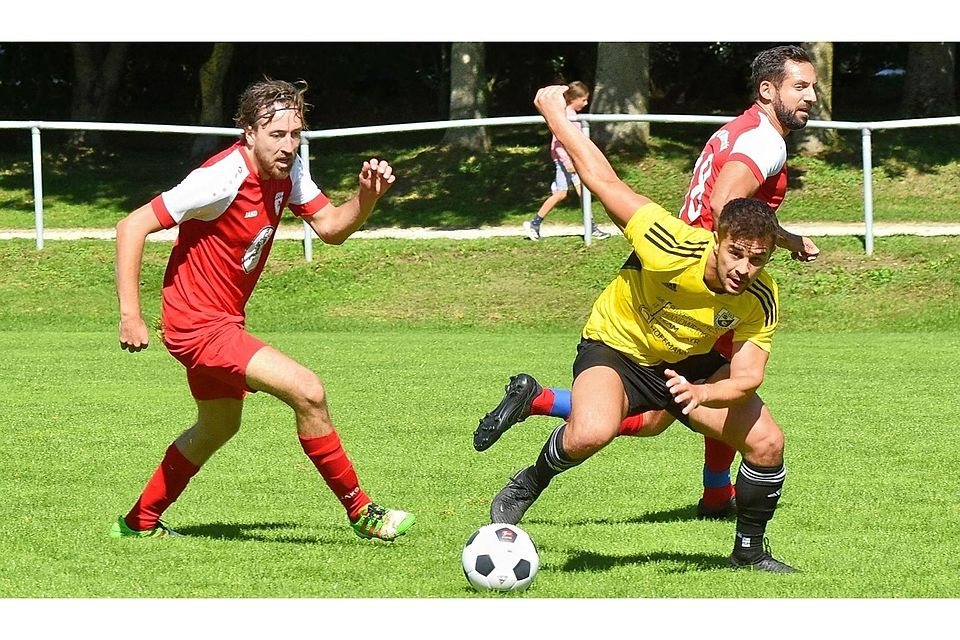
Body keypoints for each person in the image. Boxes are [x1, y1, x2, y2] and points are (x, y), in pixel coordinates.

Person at [475, 45, 820, 520]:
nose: (812, 96)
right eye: (800, 86)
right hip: (696, 287)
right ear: (767, 90)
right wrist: (760, 247)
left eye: (813, 86)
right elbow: (724, 205)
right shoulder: (767, 143)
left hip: (703, 283)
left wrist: (774, 241)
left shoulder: (742, 129)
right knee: (645, 414)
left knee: (668, 413)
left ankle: (723, 506)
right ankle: (715, 493)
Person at [110, 78, 415, 542]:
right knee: (308, 391)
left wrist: (366, 198)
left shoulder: (288, 172)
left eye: (296, 135)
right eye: (277, 135)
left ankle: (137, 523)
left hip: (223, 321)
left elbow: (331, 227)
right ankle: (363, 513)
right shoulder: (218, 178)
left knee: (217, 427)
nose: (289, 146)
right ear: (248, 132)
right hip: (197, 326)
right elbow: (131, 226)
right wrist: (130, 314)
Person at [525, 80, 610, 242]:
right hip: (568, 162)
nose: (586, 103)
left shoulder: (571, 115)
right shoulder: (567, 116)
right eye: (583, 100)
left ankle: (535, 223)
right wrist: (568, 161)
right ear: (573, 99)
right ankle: (591, 228)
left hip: (569, 161)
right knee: (581, 192)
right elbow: (559, 142)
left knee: (561, 194)